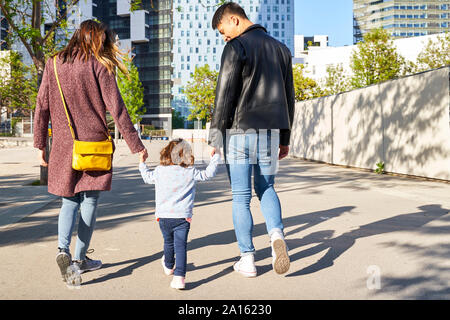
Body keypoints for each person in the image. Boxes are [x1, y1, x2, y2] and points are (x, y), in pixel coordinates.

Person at [34, 20, 148, 285]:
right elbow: (117, 108)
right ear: (98, 40)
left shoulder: (53, 63)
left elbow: (41, 106)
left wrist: (41, 144)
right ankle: (80, 259)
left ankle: (62, 250)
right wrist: (136, 145)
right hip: (94, 145)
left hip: (64, 146)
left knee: (69, 201)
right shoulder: (100, 64)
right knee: (89, 202)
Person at [208, 2, 295, 277]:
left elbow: (224, 95)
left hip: (239, 133)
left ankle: (247, 259)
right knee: (267, 188)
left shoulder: (236, 48)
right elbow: (288, 97)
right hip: (270, 133)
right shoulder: (281, 50)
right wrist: (285, 136)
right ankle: (276, 236)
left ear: (234, 20)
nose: (224, 38)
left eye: (223, 31)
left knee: (240, 198)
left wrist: (215, 137)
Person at [139, 138, 220, 289]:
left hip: (163, 216)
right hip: (183, 217)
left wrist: (142, 162)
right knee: (180, 246)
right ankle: (179, 278)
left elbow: (146, 177)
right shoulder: (190, 171)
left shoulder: (160, 170)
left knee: (168, 242)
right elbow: (208, 174)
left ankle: (169, 266)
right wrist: (215, 157)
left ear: (167, 154)